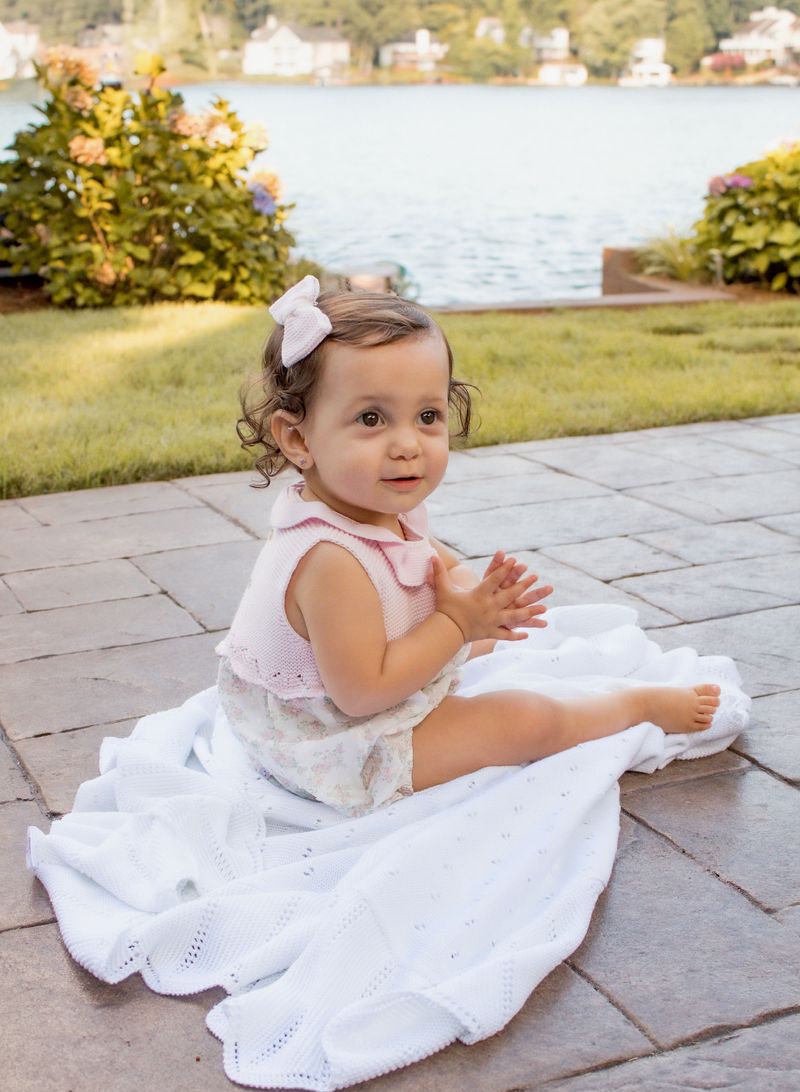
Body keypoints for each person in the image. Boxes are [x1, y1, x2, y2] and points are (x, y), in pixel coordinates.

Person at [216, 276, 720, 816]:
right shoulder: (330, 560)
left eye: (427, 416)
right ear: (298, 438)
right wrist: (458, 624)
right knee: (524, 721)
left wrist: (477, 600)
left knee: (470, 627)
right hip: (330, 740)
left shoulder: (374, 501)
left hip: (355, 685)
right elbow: (361, 695)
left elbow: (428, 564)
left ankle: (472, 642)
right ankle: (632, 707)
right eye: (371, 419)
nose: (408, 444)